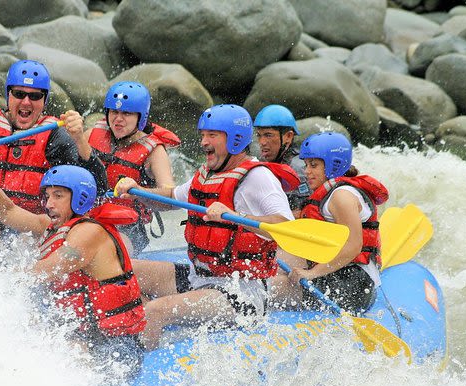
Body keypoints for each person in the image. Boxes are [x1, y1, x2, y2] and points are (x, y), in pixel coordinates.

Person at [114, 104, 300, 350]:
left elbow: (287, 228)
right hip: (200, 277)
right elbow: (171, 197)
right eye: (203, 135)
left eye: (212, 135)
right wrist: (136, 192)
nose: (203, 142)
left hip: (240, 293)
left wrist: (235, 215)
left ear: (234, 139)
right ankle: (143, 334)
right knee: (122, 270)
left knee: (156, 311)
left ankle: (133, 372)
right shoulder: (207, 173)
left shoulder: (257, 177)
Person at [0, 143, 147, 382]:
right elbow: (6, 212)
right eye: (47, 196)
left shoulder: (89, 233)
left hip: (115, 349)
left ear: (80, 198)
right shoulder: (52, 226)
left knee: (53, 363)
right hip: (81, 336)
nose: (49, 204)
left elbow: (44, 271)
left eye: (58, 196)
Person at [0, 59, 108, 214]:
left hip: (29, 226)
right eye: (19, 94)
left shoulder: (55, 137)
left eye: (35, 96)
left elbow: (98, 188)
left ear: (44, 100)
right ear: (8, 95)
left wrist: (79, 140)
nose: (26, 102)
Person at [70, 81, 181, 254]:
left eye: (127, 113)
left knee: (102, 251)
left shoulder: (154, 152)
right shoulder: (91, 134)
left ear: (141, 117)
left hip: (128, 227)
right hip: (87, 216)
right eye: (114, 111)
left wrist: (139, 190)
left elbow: (173, 200)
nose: (118, 119)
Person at [286, 132, 389, 313]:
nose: (306, 171)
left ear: (334, 164)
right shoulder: (330, 194)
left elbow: (353, 246)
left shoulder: (342, 196)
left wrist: (312, 273)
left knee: (276, 284)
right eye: (306, 165)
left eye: (314, 165)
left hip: (353, 285)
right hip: (340, 274)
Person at [254, 104, 310, 216]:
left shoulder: (299, 169)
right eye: (259, 135)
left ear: (288, 136)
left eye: (268, 135)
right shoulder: (262, 162)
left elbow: (300, 213)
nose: (262, 142)